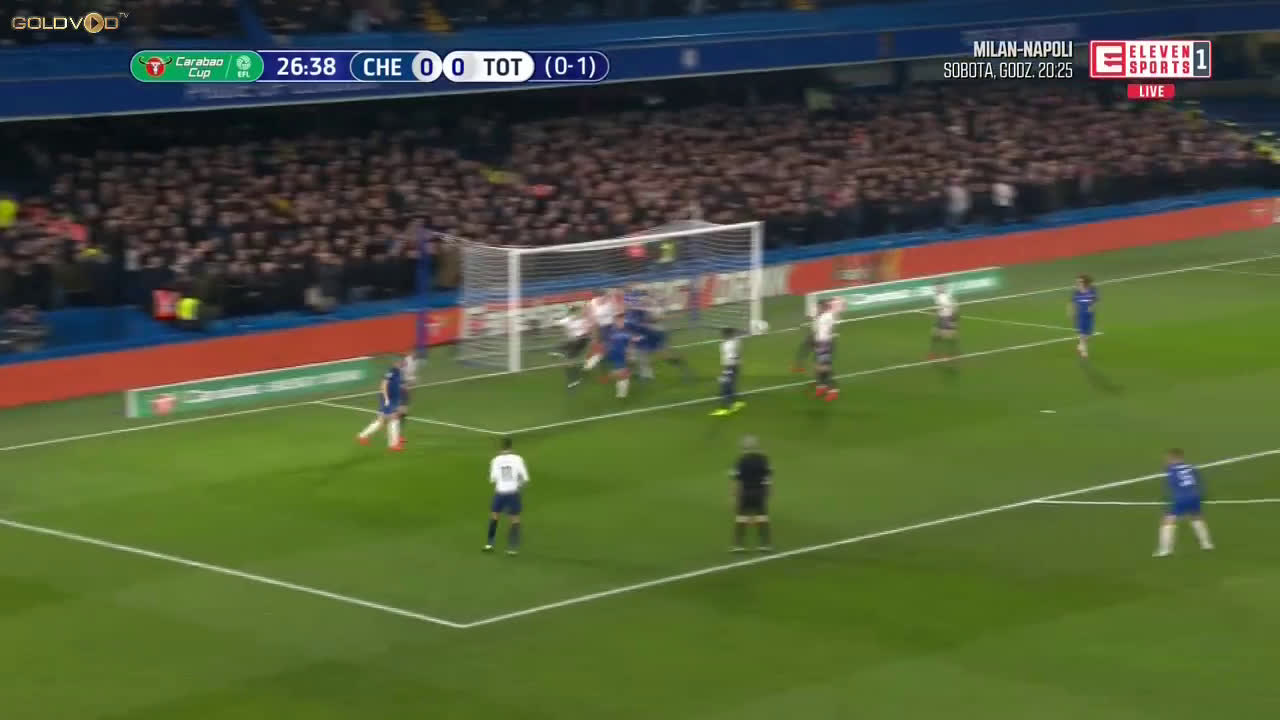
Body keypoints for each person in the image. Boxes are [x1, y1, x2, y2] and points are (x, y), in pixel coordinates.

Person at [1154, 449, 1214, 557]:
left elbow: (1171, 484)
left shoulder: (1170, 469)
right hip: (1195, 495)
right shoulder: (1191, 467)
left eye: (1168, 458)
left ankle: (1165, 550)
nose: (1166, 460)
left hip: (1181, 497)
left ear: (1172, 458)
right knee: (1196, 517)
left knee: (1167, 521)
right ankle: (1207, 544)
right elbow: (1199, 481)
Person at [486, 437, 530, 554]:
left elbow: (492, 478)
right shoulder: (518, 459)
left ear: (501, 447)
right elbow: (525, 478)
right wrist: (518, 485)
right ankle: (512, 547)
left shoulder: (496, 460)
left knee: (494, 516)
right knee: (515, 519)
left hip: (500, 492)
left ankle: (489, 544)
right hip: (513, 492)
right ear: (511, 447)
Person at [731, 435, 773, 552]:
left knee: (741, 517)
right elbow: (768, 476)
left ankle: (739, 545)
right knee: (762, 516)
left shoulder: (741, 460)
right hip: (760, 491)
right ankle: (765, 544)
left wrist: (734, 495)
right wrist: (768, 490)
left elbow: (737, 480)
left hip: (745, 492)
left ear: (745, 447)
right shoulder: (763, 459)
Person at [356, 357, 406, 451]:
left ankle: (362, 436)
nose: (403, 363)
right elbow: (383, 384)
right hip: (389, 399)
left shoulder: (399, 372)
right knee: (393, 418)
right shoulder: (391, 371)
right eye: (402, 362)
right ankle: (393, 444)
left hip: (394, 399)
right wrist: (386, 399)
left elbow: (398, 385)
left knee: (382, 420)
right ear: (397, 363)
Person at [711, 326, 745, 416]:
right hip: (735, 366)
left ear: (727, 335)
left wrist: (726, 371)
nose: (722, 335)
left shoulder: (727, 345)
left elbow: (732, 357)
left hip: (730, 367)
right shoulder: (736, 341)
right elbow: (737, 354)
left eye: (723, 334)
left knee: (725, 387)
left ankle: (725, 409)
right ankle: (737, 402)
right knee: (731, 385)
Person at [557, 305, 591, 388]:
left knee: (569, 360)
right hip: (573, 342)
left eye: (575, 312)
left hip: (580, 341)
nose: (575, 314)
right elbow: (558, 322)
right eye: (573, 312)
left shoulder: (582, 321)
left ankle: (574, 379)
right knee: (569, 360)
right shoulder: (568, 320)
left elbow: (586, 332)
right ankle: (575, 377)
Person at [813, 299, 839, 401]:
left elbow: (830, 329)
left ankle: (833, 390)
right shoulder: (822, 316)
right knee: (818, 367)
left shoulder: (827, 316)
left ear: (823, 307)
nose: (817, 309)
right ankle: (822, 386)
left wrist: (827, 340)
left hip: (825, 343)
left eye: (818, 307)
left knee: (824, 367)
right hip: (821, 343)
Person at [605, 313, 635, 399]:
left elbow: (630, 343)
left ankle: (622, 392)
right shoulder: (612, 330)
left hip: (623, 354)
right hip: (615, 354)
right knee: (621, 372)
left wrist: (630, 353)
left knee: (622, 372)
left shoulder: (626, 331)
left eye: (622, 321)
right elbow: (609, 342)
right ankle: (621, 391)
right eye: (618, 321)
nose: (620, 323)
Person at [1069, 274, 1098, 359]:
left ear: (1085, 282)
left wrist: (1091, 307)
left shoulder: (1092, 290)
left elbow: (1095, 300)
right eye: (1077, 281)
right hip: (1080, 315)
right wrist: (1071, 312)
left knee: (1088, 335)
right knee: (1082, 334)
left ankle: (1080, 345)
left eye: (1080, 281)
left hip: (1090, 315)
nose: (1078, 283)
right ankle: (1084, 351)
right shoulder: (1077, 292)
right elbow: (1072, 303)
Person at [929, 284, 960, 360]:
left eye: (937, 288)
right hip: (942, 317)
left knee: (946, 335)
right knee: (935, 333)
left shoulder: (942, 297)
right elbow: (953, 306)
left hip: (946, 317)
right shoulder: (939, 296)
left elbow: (953, 306)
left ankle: (952, 353)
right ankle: (934, 353)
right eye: (936, 288)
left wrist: (953, 317)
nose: (936, 289)